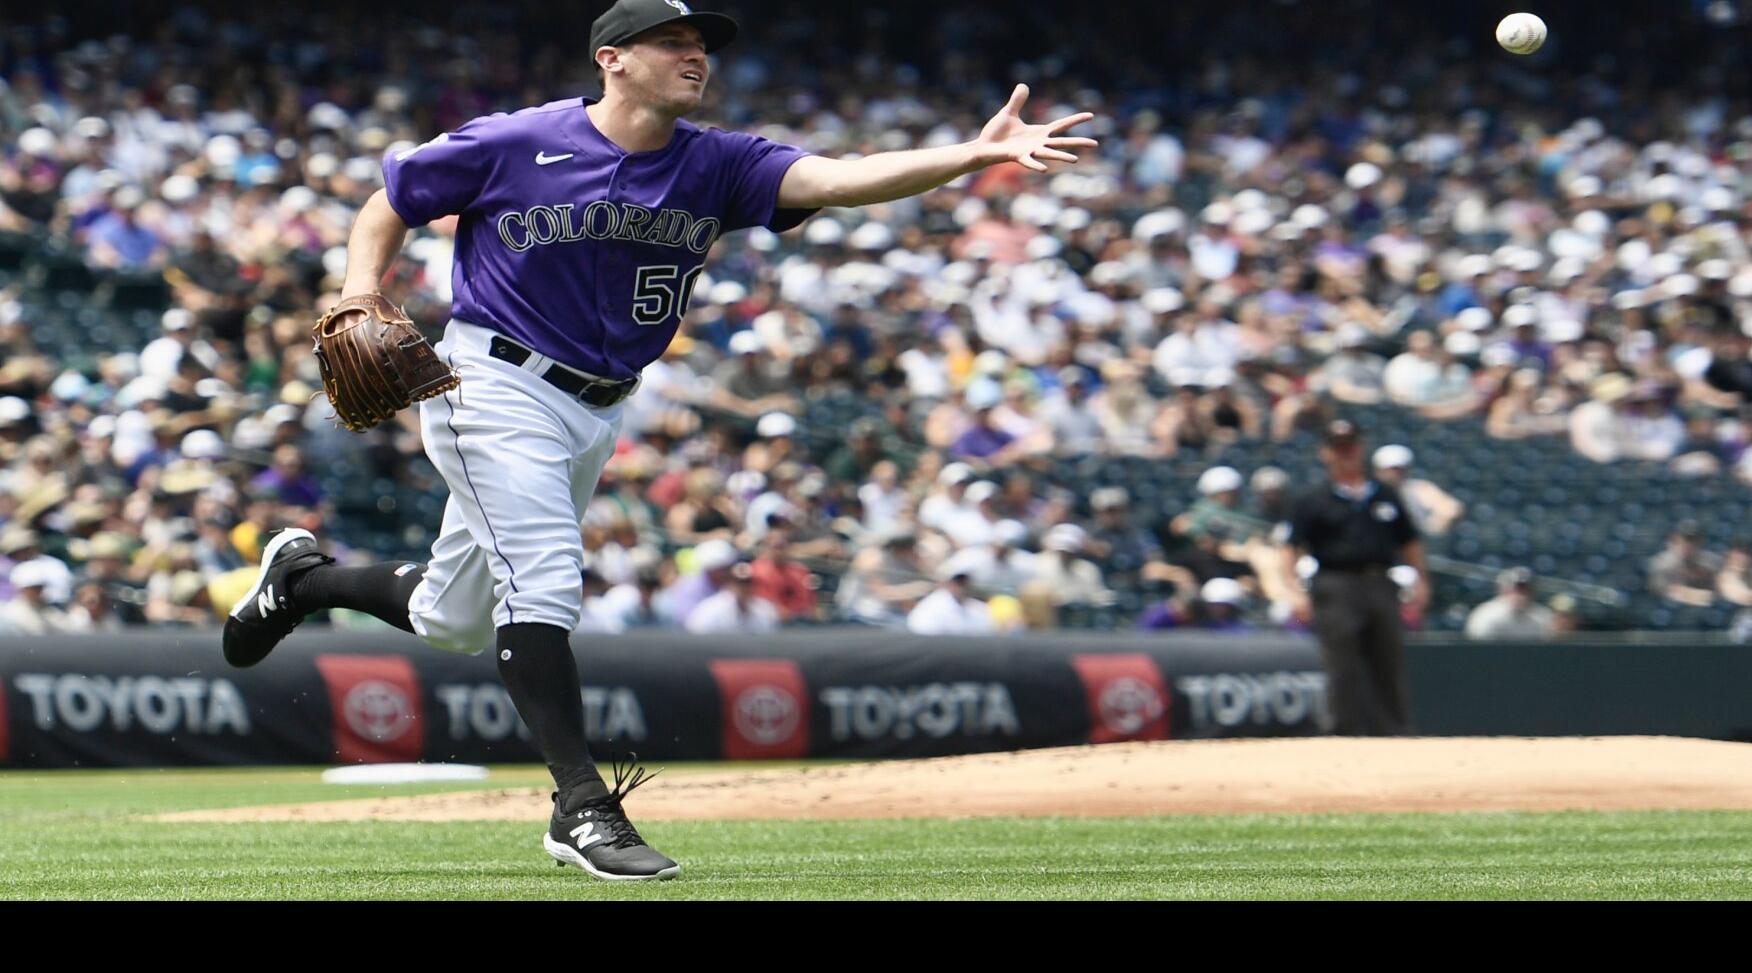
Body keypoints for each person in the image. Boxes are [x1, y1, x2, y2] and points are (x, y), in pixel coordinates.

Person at [218, 0, 1097, 882]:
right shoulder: (516, 140)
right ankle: (580, 807)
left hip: (596, 408)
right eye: (673, 42)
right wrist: (358, 289)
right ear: (613, 59)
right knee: (547, 575)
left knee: (453, 619)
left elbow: (840, 178)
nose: (695, 56)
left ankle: (303, 579)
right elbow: (389, 200)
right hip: (490, 382)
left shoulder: (717, 162)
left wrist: (974, 155)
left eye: (701, 45)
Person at [1283, 419, 1430, 735]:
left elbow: (1410, 542)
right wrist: (1294, 591)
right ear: (1326, 453)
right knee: (1342, 662)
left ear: (1361, 449)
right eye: (1338, 448)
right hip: (1335, 584)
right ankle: (1344, 733)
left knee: (1387, 659)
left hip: (1381, 581)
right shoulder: (1313, 499)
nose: (1345, 454)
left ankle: (1394, 732)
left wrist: (1421, 580)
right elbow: (1290, 548)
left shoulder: (1385, 494)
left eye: (1349, 446)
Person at [1463, 567, 1555, 640]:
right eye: (1515, 589)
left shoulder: (1543, 617)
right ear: (1503, 589)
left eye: (1525, 589)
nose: (1520, 594)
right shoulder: (1486, 615)